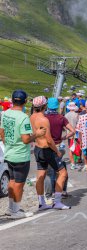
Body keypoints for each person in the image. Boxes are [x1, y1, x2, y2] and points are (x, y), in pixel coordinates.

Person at [0, 90, 46, 218]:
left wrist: (8, 143)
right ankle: (16, 210)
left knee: (12, 181)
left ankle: (11, 208)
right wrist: (37, 134)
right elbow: (26, 139)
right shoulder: (23, 117)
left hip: (9, 152)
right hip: (20, 154)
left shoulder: (6, 113)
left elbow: (2, 132)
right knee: (19, 183)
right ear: (25, 101)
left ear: (12, 100)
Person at [30, 96, 71, 210]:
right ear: (44, 105)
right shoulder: (44, 119)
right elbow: (49, 140)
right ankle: (57, 202)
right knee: (63, 173)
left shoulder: (32, 117)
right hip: (47, 149)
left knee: (41, 175)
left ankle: (41, 203)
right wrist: (57, 151)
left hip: (38, 149)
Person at [45, 98, 75, 198]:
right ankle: (62, 191)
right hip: (57, 145)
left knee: (50, 172)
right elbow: (72, 131)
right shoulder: (61, 118)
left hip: (46, 145)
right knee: (62, 170)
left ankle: (50, 194)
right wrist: (63, 137)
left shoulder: (44, 117)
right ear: (57, 106)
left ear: (48, 106)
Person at [64, 102, 79, 170]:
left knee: (70, 148)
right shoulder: (77, 115)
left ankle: (72, 163)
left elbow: (64, 126)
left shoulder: (66, 115)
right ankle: (77, 161)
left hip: (69, 134)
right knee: (77, 147)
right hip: (76, 134)